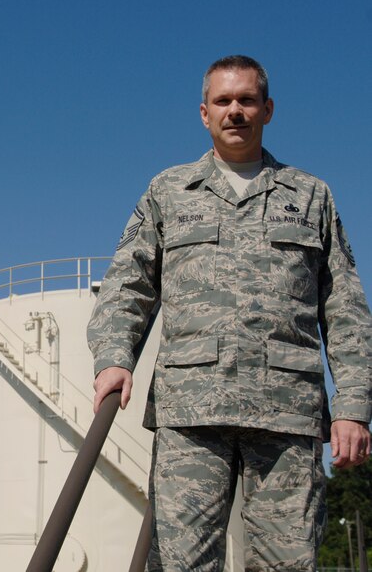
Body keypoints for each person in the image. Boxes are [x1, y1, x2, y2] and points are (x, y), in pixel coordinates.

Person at [86, 55, 372, 571]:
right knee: (183, 564)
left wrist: (352, 405)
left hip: (287, 412)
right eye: (223, 101)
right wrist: (113, 357)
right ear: (204, 113)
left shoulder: (311, 196)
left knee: (289, 564)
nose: (234, 110)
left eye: (246, 100)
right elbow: (126, 285)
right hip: (191, 412)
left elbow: (345, 307)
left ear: (268, 109)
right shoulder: (169, 191)